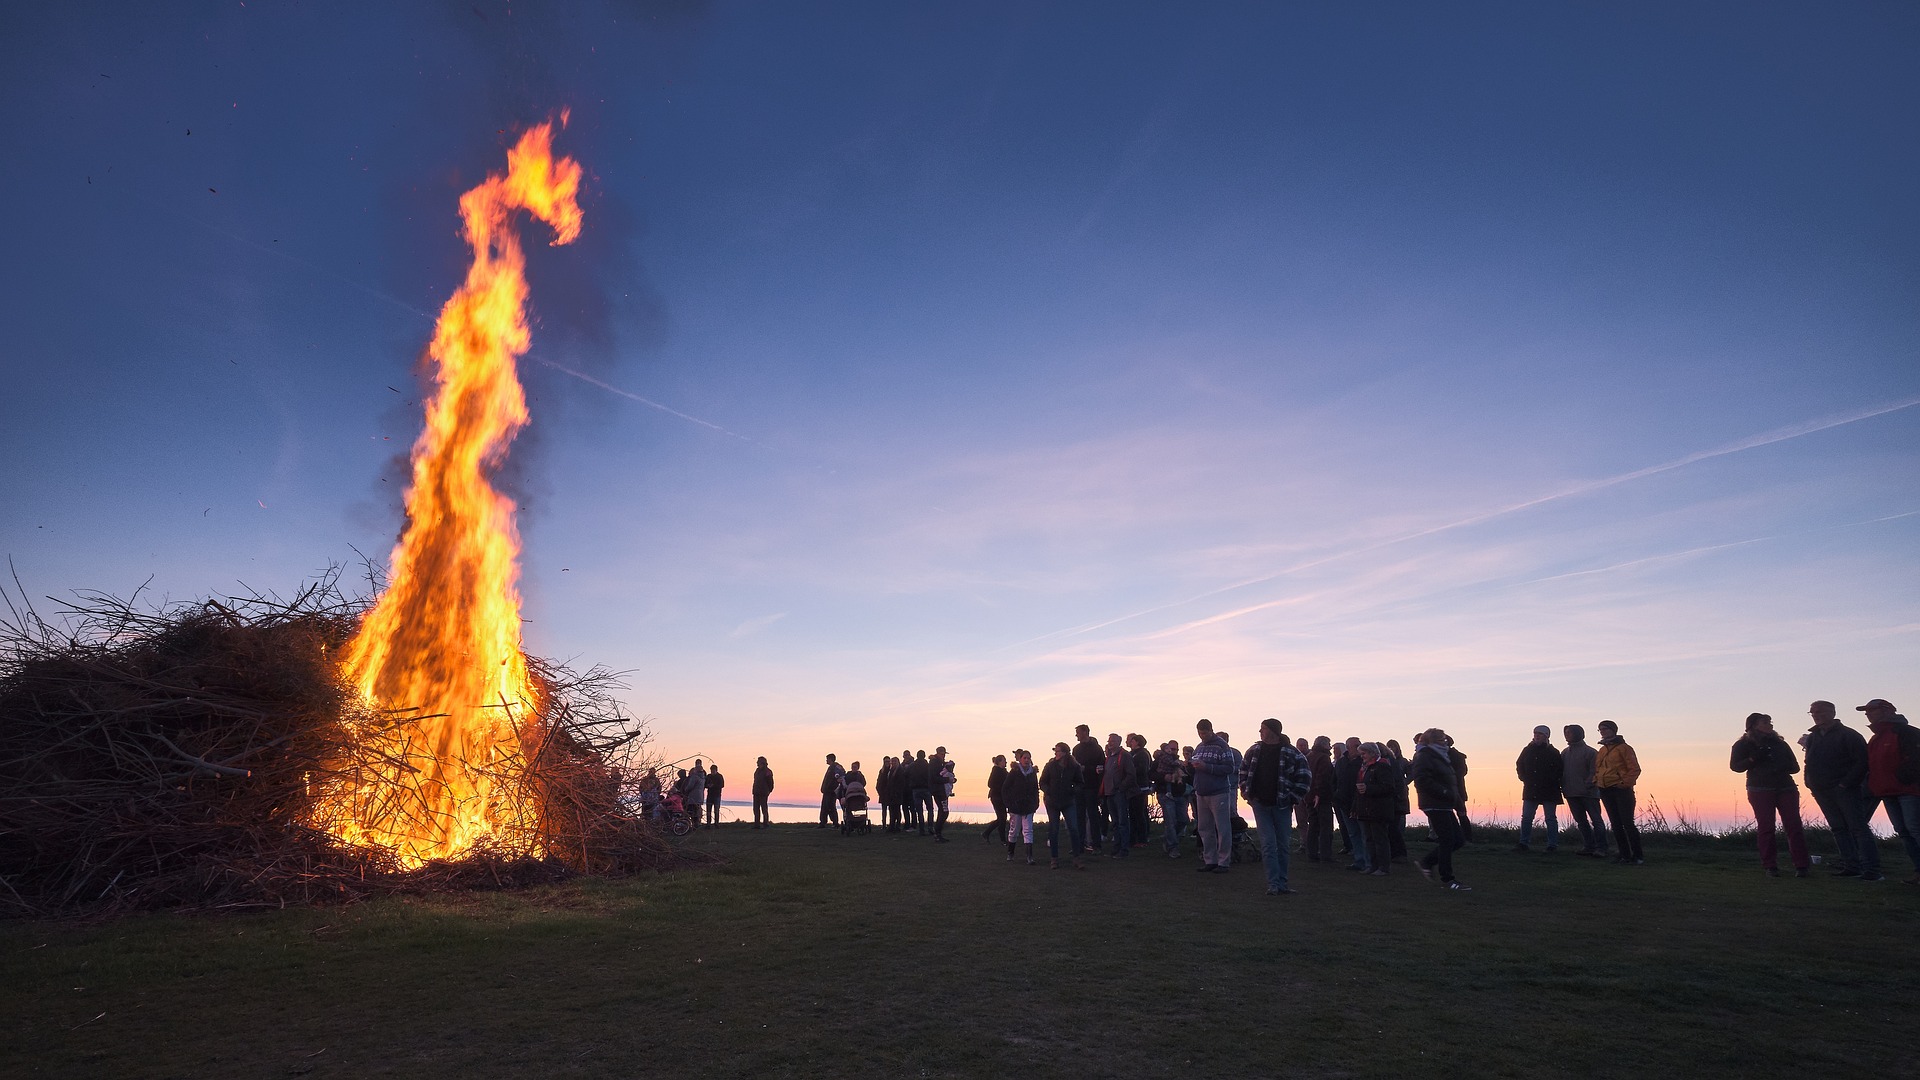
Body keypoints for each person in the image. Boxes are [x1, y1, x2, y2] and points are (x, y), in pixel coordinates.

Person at [1802, 701, 1880, 880]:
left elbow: (1862, 762)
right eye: (1812, 712)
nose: (1815, 715)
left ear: (1832, 712)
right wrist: (1810, 782)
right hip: (1821, 790)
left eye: (1819, 711)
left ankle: (1872, 870)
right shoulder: (1814, 736)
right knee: (1838, 828)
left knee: (1858, 828)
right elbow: (1809, 761)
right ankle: (1852, 866)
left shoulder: (1849, 735)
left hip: (1845, 790)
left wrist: (1846, 784)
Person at [1730, 712, 1811, 877]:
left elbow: (1795, 767)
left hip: (1785, 788)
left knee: (1794, 826)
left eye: (1770, 722)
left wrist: (1781, 766)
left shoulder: (1780, 744)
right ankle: (1770, 866)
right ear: (1753, 726)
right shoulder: (1742, 745)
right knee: (1766, 827)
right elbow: (1736, 767)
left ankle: (1801, 866)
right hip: (1760, 789)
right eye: (1765, 722)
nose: (1770, 725)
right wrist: (1754, 759)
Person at [1239, 717, 1312, 895]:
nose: (1260, 732)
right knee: (1268, 844)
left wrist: (1292, 798)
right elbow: (1243, 770)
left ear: (1272, 731)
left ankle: (1282, 883)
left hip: (1282, 805)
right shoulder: (1254, 750)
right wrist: (1245, 791)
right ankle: (1273, 884)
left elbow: (1304, 777)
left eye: (1262, 728)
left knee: (1283, 845)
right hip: (1260, 804)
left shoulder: (1291, 753)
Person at [1861, 698, 1920, 885]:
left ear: (1887, 711)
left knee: (1915, 829)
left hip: (1909, 790)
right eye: (1867, 711)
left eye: (1872, 710)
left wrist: (1904, 778)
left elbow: (1915, 760)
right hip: (1886, 791)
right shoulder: (1876, 737)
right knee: (1903, 831)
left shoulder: (1906, 732)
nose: (1868, 714)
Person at [1412, 728, 1470, 890]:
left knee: (1457, 840)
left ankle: (1427, 862)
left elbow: (1451, 782)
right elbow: (1422, 780)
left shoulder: (1440, 756)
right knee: (1448, 840)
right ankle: (1448, 879)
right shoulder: (1425, 756)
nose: (1445, 743)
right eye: (1441, 740)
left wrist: (1458, 804)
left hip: (1444, 803)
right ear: (1431, 742)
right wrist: (1445, 793)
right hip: (1434, 803)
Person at [1594, 720, 1644, 864]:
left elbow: (1634, 768)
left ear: (1613, 730)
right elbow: (1598, 768)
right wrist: (1595, 780)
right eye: (1600, 729)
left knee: (1627, 823)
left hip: (1621, 790)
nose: (1602, 731)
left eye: (1605, 729)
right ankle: (1624, 855)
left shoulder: (1624, 748)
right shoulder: (1602, 750)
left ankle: (1638, 856)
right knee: (1615, 824)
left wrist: (1624, 784)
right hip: (1605, 789)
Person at [1190, 719, 1236, 873]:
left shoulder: (1222, 746)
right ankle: (1210, 860)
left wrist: (1206, 767)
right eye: (1199, 733)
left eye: (1204, 733)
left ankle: (1224, 862)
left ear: (1211, 730)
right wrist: (1190, 766)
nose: (1202, 736)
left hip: (1219, 792)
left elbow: (1229, 768)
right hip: (1201, 792)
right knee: (1204, 828)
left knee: (1222, 828)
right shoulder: (1199, 747)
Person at [1561, 725, 1609, 858]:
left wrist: (1588, 785)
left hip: (1589, 793)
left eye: (1569, 732)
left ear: (1578, 733)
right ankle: (1589, 846)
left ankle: (1602, 847)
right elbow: (1561, 771)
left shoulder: (1591, 752)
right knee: (1581, 821)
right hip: (1571, 793)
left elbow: (1595, 772)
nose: (1567, 735)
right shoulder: (1565, 753)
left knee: (1596, 820)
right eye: (1565, 733)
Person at [1514, 726, 1563, 853]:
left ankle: (1552, 845)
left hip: (1549, 789)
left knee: (1550, 818)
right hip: (1531, 788)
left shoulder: (1554, 752)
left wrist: (1551, 780)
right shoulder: (1527, 750)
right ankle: (1523, 843)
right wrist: (1524, 777)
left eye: (1540, 734)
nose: (1537, 736)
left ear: (1547, 736)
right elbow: (1519, 764)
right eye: (1535, 733)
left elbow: (1559, 770)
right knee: (1527, 817)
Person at [1040, 742, 1086, 869]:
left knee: (1074, 829)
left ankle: (1077, 858)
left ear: (1065, 752)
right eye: (1055, 750)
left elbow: (1080, 783)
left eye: (1058, 751)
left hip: (1068, 802)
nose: (1056, 753)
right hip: (1052, 802)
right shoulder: (1050, 766)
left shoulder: (1074, 766)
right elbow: (1042, 782)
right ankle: (1054, 859)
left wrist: (1072, 791)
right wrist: (1049, 792)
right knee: (1054, 830)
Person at [1353, 743, 1397, 875]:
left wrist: (1368, 789)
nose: (1362, 757)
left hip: (1379, 809)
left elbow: (1389, 787)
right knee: (1369, 839)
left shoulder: (1382, 766)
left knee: (1379, 839)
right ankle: (1373, 865)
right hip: (1366, 808)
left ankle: (1383, 867)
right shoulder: (1364, 768)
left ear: (1372, 753)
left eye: (1364, 753)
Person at [1003, 749, 1041, 865]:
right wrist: (1009, 803)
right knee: (1014, 830)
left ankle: (1029, 856)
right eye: (1024, 758)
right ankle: (1010, 853)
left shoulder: (1032, 773)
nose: (1026, 760)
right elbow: (1005, 788)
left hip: (1028, 806)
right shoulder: (1014, 772)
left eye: (1028, 758)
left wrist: (1035, 803)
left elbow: (1035, 789)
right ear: (1020, 759)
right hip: (1016, 807)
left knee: (1028, 830)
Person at [1072, 725, 1106, 851]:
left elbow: (1101, 768)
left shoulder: (1097, 749)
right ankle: (1080, 844)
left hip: (1091, 786)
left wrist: (1086, 769)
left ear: (1085, 732)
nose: (1076, 735)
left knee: (1093, 815)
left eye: (1078, 733)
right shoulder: (1076, 749)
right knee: (1079, 816)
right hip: (1079, 787)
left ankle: (1096, 844)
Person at [1101, 733, 1136, 858]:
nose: (1110, 743)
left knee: (1122, 822)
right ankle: (1116, 849)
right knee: (1115, 823)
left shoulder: (1124, 756)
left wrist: (1121, 787)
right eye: (1109, 741)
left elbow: (1131, 774)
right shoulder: (1109, 756)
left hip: (1119, 793)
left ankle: (1124, 850)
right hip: (1109, 793)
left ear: (1119, 742)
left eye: (1113, 741)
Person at [1334, 736, 1366, 870]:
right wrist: (1336, 795)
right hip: (1344, 803)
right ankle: (1359, 860)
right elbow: (1334, 780)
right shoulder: (1341, 762)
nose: (1359, 747)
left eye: (1359, 744)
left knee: (1363, 832)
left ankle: (1367, 861)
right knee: (1353, 832)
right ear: (1348, 748)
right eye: (1356, 745)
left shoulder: (1363, 762)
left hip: (1359, 803)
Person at [1154, 740, 1190, 858]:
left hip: (1179, 794)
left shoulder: (1179, 763)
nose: (1173, 751)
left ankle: (1169, 838)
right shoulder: (1160, 760)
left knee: (1183, 820)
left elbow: (1188, 776)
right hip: (1165, 793)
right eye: (1171, 749)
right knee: (1170, 821)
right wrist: (1164, 777)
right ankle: (1172, 847)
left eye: (1175, 749)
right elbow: (1151, 774)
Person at [1304, 737, 1335, 864]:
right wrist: (1319, 793)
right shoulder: (1323, 758)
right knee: (1326, 827)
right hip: (1321, 797)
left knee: (1313, 825)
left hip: (1309, 795)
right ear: (1324, 745)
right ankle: (1325, 855)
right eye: (1329, 744)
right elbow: (1322, 776)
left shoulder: (1309, 756)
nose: (1330, 746)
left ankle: (1312, 853)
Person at [1127, 734, 1154, 847]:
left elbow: (1142, 770)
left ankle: (1141, 839)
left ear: (1137, 742)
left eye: (1132, 741)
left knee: (1139, 814)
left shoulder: (1142, 754)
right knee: (1135, 813)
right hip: (1135, 787)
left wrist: (1129, 771)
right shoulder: (1135, 754)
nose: (1130, 743)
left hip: (1140, 787)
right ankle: (1135, 838)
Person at [929, 747, 955, 842]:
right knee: (944, 812)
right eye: (942, 754)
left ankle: (938, 833)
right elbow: (934, 778)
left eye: (944, 754)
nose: (943, 756)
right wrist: (948, 780)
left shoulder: (938, 763)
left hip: (941, 791)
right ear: (938, 753)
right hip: (939, 791)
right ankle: (937, 834)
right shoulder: (934, 763)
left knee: (943, 812)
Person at [983, 754, 1009, 843]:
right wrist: (1002, 788)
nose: (1006, 762)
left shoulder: (1004, 771)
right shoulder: (996, 771)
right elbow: (990, 784)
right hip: (996, 797)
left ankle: (987, 833)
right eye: (1004, 760)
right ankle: (1002, 840)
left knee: (1001, 818)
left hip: (1001, 797)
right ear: (999, 762)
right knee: (1002, 818)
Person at [908, 750, 932, 834]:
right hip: (926, 789)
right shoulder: (928, 766)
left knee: (919, 810)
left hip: (916, 789)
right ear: (924, 756)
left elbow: (906, 774)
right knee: (930, 809)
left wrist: (911, 782)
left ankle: (922, 829)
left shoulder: (912, 766)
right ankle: (930, 827)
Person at [818, 754, 845, 828]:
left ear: (831, 759)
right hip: (827, 790)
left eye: (827, 759)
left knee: (830, 806)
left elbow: (842, 775)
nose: (826, 760)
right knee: (825, 806)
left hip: (831, 791)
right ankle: (823, 822)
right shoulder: (831, 768)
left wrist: (835, 785)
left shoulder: (836, 767)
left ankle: (835, 823)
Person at [750, 756, 773, 829]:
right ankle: (757, 824)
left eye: (758, 762)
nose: (757, 763)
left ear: (762, 763)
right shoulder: (757, 771)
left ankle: (765, 824)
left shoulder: (768, 771)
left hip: (763, 793)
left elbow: (771, 783)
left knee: (764, 809)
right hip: (756, 792)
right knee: (756, 809)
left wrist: (769, 791)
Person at [704, 761, 725, 828]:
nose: (712, 772)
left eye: (713, 770)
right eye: (711, 770)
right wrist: (708, 785)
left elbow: (722, 785)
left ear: (716, 770)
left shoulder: (720, 776)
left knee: (716, 810)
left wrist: (713, 785)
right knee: (708, 810)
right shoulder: (708, 776)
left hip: (717, 795)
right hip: (710, 795)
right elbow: (705, 784)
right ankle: (708, 824)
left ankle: (716, 824)